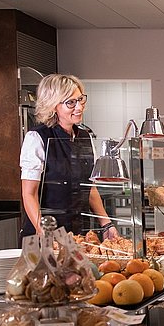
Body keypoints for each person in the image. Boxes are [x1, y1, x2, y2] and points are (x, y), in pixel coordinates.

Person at [20, 74, 118, 238]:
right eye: (71, 102)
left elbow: (89, 187)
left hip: (78, 233)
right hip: (44, 234)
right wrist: (43, 231)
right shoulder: (37, 138)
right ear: (53, 106)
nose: (79, 107)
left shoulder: (85, 137)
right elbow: (29, 193)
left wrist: (106, 223)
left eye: (81, 99)